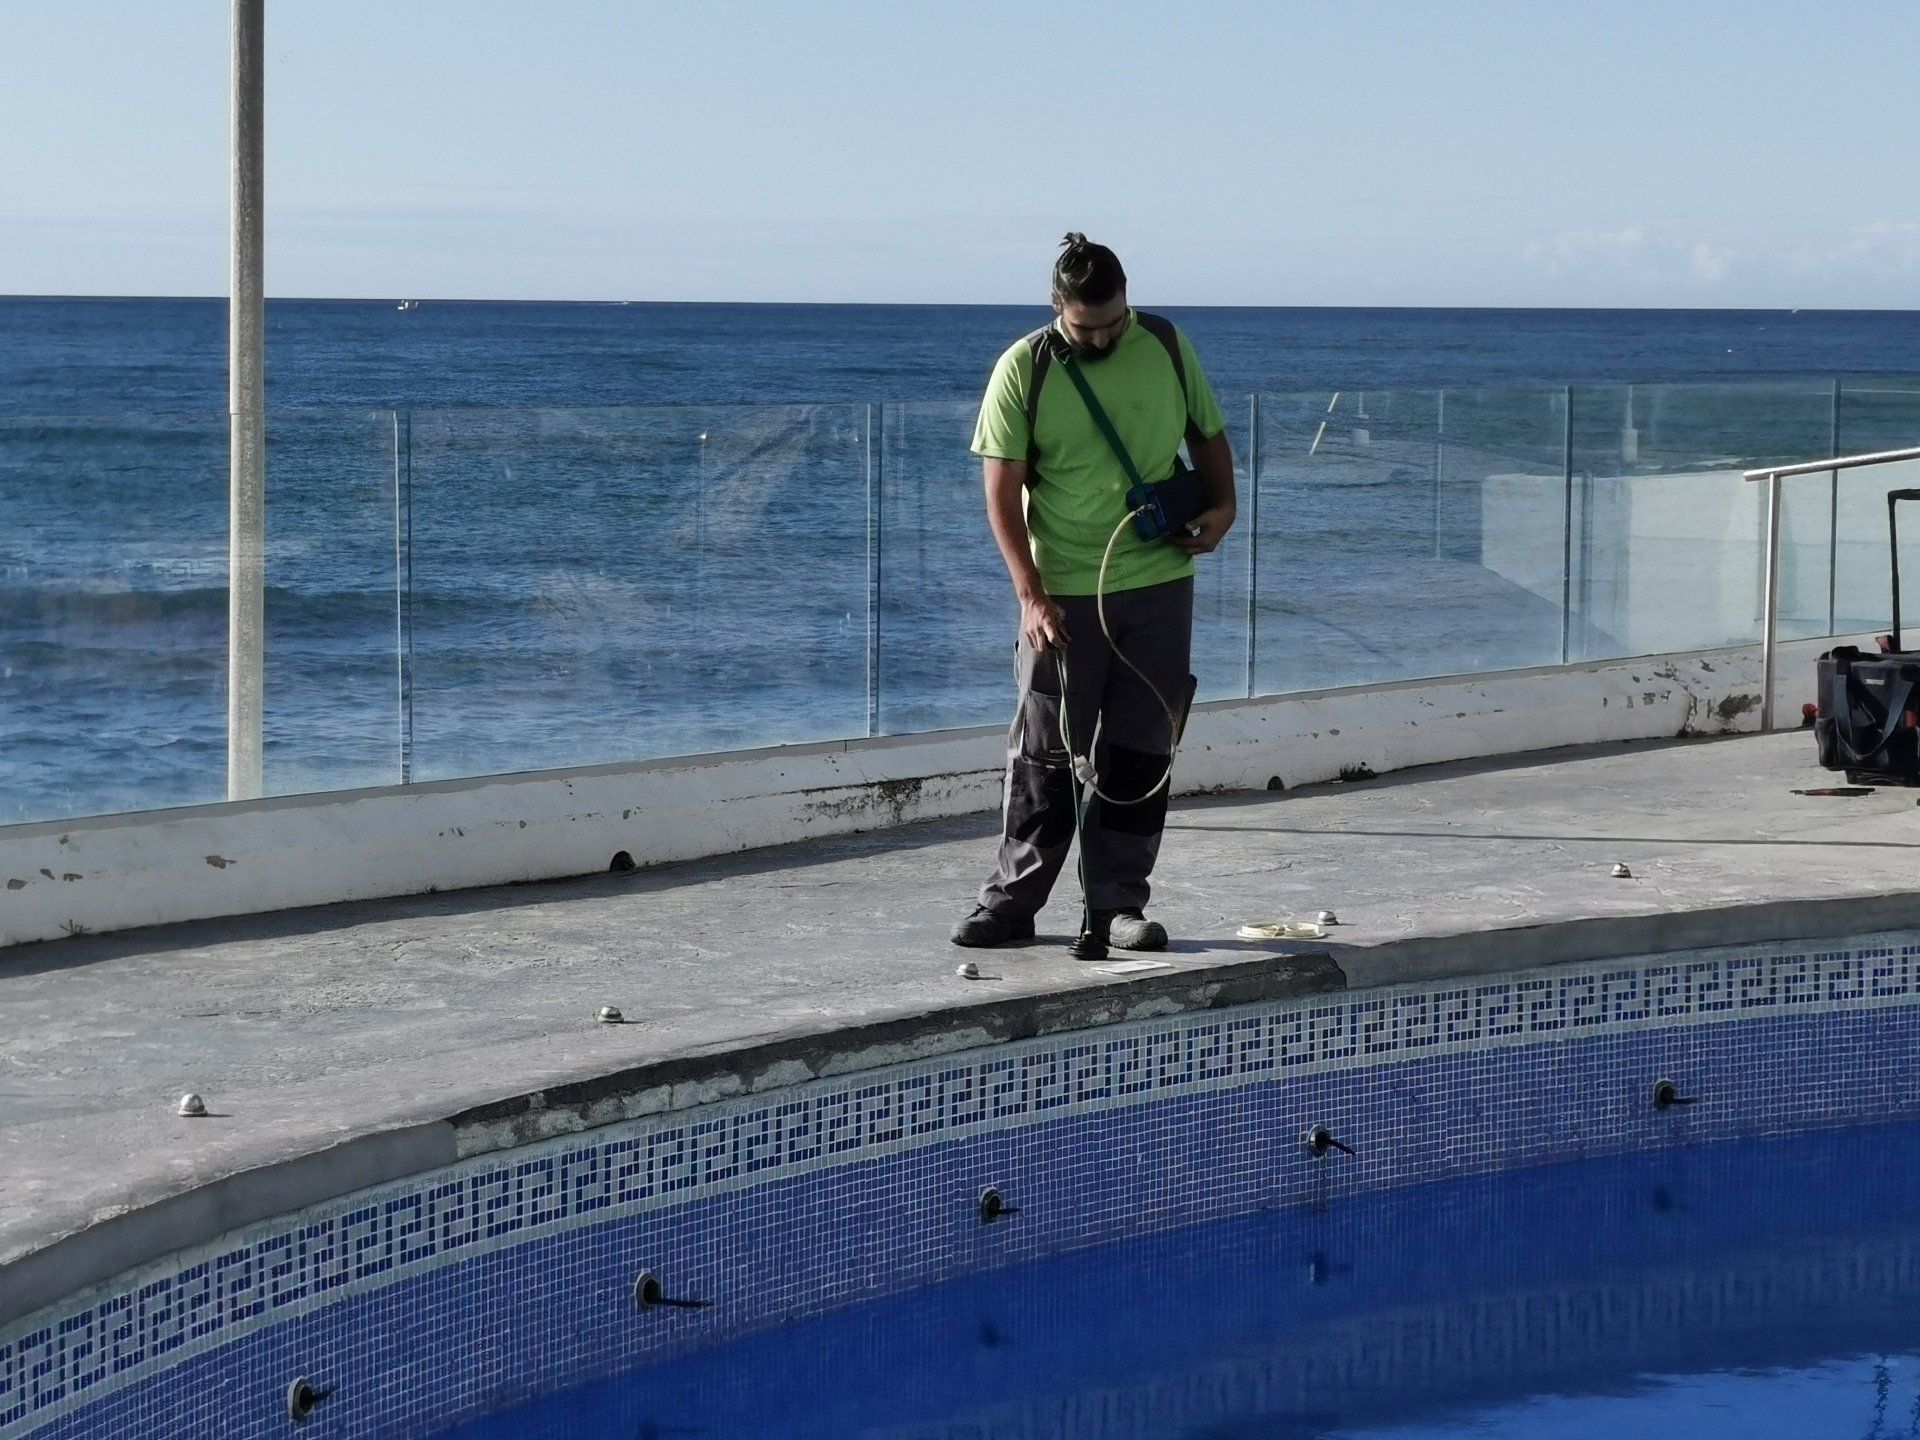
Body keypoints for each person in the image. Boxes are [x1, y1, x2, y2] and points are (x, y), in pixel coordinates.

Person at [951, 233, 1236, 952]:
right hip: (1064, 593)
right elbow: (1000, 490)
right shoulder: (1025, 368)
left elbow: (1209, 436)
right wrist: (1031, 595)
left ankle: (1117, 907)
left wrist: (1224, 507)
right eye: (1088, 327)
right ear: (1057, 309)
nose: (1105, 337)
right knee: (1045, 752)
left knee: (1141, 752)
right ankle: (1012, 903)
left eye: (1115, 322)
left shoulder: (1166, 344)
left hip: (1160, 583)